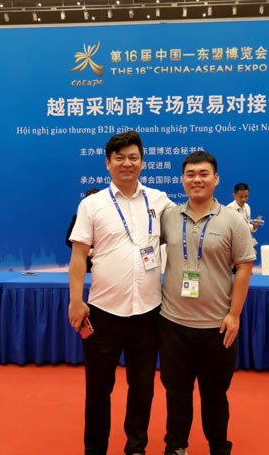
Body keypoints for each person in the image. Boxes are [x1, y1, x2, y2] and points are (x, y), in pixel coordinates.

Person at [68, 131, 173, 455]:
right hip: (103, 312)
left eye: (133, 157)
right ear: (108, 163)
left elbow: (186, 229)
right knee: (98, 389)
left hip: (148, 313)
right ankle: (95, 449)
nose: (127, 163)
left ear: (142, 162)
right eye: (120, 158)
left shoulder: (159, 201)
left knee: (142, 388)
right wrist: (75, 301)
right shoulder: (92, 204)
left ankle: (136, 448)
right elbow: (79, 255)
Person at [159, 151, 255, 455]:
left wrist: (234, 314)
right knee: (176, 394)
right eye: (190, 174)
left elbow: (244, 267)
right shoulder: (168, 217)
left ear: (216, 179)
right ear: (182, 179)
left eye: (203, 174)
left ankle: (218, 447)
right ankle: (176, 447)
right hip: (173, 323)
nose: (196, 180)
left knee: (214, 395)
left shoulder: (232, 220)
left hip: (217, 326)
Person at [66, 188, 99, 273]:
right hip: (84, 261)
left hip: (103, 261)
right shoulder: (77, 219)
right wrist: (88, 250)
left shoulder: (107, 218)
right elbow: (69, 240)